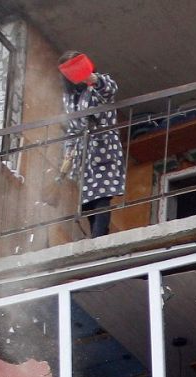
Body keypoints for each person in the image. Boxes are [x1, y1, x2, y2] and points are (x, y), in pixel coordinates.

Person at [60, 51, 126, 239]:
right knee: (87, 201)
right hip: (82, 153)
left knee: (102, 195)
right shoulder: (69, 97)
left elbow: (110, 90)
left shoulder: (98, 85)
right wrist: (68, 153)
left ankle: (98, 237)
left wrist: (90, 77)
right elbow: (72, 128)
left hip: (103, 145)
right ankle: (98, 234)